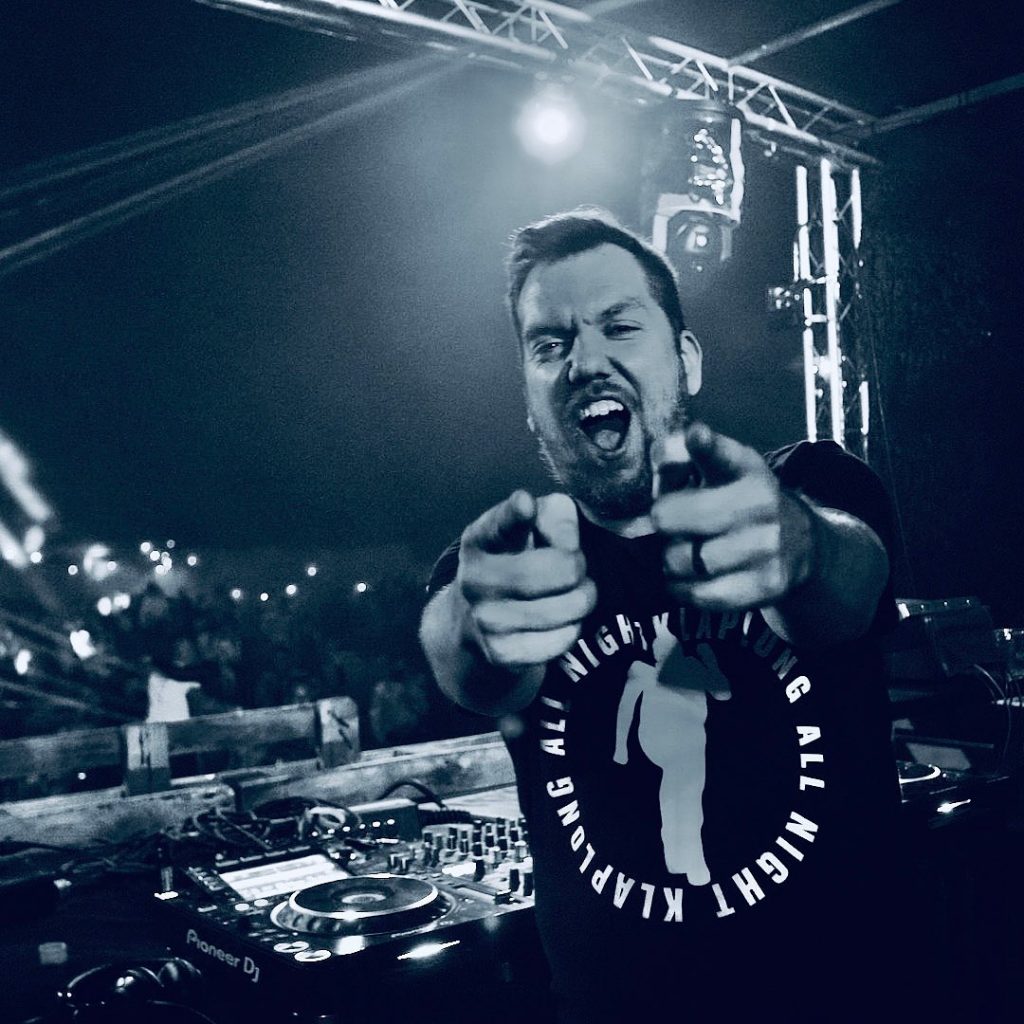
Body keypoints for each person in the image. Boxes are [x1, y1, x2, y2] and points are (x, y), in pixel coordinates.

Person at [420, 209, 903, 1021]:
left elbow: (847, 590)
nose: (585, 362)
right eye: (550, 345)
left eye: (619, 326)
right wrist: (474, 626)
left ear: (686, 359)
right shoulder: (517, 558)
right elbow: (461, 649)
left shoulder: (812, 486)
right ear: (530, 399)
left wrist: (802, 550)